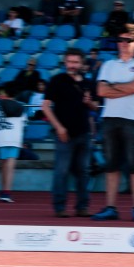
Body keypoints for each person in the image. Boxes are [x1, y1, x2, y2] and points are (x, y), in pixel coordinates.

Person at [92, 24, 134, 222]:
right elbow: (100, 91)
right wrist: (125, 88)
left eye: (128, 40)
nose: (123, 44)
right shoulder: (108, 65)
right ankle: (111, 207)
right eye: (120, 40)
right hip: (110, 118)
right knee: (111, 165)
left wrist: (113, 87)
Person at [41, 48, 97, 217]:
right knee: (62, 171)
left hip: (84, 132)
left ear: (81, 63)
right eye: (69, 62)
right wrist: (58, 127)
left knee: (83, 171)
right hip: (64, 133)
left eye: (75, 62)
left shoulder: (88, 83)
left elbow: (95, 107)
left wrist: (89, 103)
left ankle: (82, 206)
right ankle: (59, 207)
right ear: (65, 62)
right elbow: (45, 106)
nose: (72, 65)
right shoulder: (57, 80)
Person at [0, 84, 27, 204]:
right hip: (15, 137)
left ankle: (3, 190)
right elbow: (24, 123)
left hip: (1, 136)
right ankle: (7, 192)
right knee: (11, 166)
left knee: (4, 165)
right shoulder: (21, 106)